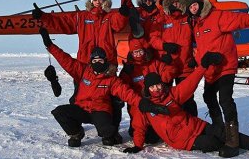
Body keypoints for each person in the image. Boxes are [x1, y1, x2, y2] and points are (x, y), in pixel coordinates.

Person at [184, 0, 249, 158]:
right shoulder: (196, 26)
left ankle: (233, 142)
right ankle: (219, 129)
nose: (193, 8)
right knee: (208, 97)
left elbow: (239, 20)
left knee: (225, 100)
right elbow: (204, 49)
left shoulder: (217, 16)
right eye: (190, 7)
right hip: (211, 71)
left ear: (199, 4)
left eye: (195, 5)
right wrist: (196, 61)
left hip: (225, 67)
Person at [39, 27, 167, 147]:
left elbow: (127, 93)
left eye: (100, 61)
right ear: (90, 61)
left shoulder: (111, 79)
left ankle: (111, 133)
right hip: (82, 108)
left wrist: (143, 103)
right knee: (59, 112)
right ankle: (76, 133)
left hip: (100, 110)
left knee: (107, 136)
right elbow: (65, 59)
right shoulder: (83, 71)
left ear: (105, 61)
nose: (97, 63)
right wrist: (49, 45)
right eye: (94, 61)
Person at [122, 66, 249, 156]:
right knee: (213, 142)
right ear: (147, 89)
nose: (157, 88)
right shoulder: (145, 107)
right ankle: (227, 147)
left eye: (158, 85)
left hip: (196, 125)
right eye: (153, 87)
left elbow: (189, 84)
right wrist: (137, 145)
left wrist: (202, 67)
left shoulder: (172, 94)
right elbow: (139, 127)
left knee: (223, 132)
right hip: (183, 140)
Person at [32, 0, 129, 65]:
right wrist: (43, 16)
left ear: (104, 1)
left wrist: (124, 14)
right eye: (95, 0)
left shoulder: (110, 17)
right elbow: (63, 23)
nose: (98, 2)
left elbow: (119, 22)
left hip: (107, 62)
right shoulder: (81, 17)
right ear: (91, 2)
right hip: (85, 62)